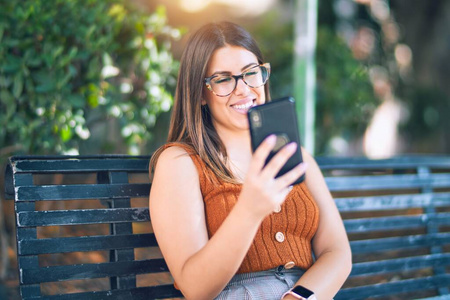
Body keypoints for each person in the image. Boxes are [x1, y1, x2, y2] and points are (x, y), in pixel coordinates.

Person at [149, 22, 352, 300]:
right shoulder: (180, 162)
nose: (244, 89)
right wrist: (249, 210)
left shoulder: (295, 155)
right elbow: (195, 289)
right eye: (223, 79)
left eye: (251, 73)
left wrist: (301, 297)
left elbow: (337, 251)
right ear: (200, 94)